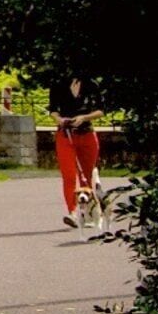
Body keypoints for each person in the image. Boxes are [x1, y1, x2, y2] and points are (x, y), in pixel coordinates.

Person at [57, 77, 106, 229]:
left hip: (87, 134)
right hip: (66, 135)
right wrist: (60, 120)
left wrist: (84, 117)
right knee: (69, 175)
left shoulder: (92, 85)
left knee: (86, 175)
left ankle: (90, 213)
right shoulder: (59, 84)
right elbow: (53, 110)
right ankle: (72, 212)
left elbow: (101, 111)